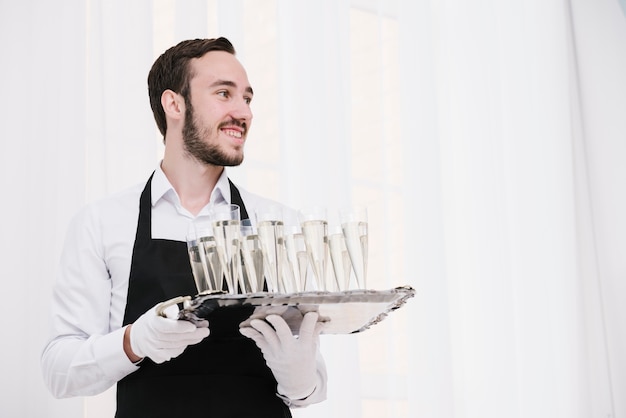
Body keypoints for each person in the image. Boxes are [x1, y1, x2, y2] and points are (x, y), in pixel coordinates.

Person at [41, 37, 327, 417]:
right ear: (174, 104)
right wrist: (133, 341)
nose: (244, 111)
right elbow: (60, 372)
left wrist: (299, 377)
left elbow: (311, 386)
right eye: (224, 93)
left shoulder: (278, 223)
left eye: (247, 98)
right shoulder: (102, 223)